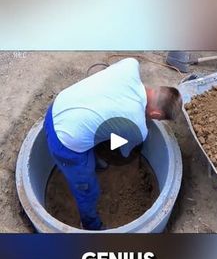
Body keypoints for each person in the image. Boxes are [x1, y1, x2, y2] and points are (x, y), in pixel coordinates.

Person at [44, 58, 182, 230]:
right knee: (88, 190)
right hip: (64, 142)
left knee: (102, 131)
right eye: (159, 118)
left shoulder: (130, 65)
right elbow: (122, 152)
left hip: (58, 106)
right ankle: (90, 225)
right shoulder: (138, 127)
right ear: (155, 114)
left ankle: (93, 161)